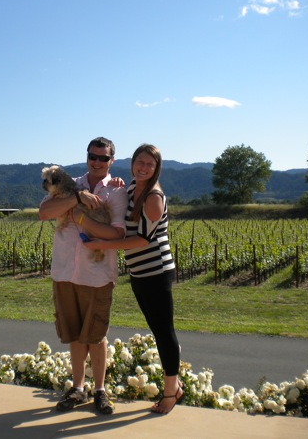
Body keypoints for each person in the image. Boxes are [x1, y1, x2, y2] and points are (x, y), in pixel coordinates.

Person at [83, 143, 183, 414]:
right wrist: (116, 184)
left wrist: (101, 245)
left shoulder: (153, 197)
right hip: (140, 272)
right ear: (132, 163)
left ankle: (171, 391)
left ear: (156, 168)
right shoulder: (131, 188)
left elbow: (142, 240)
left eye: (150, 164)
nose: (143, 168)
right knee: (158, 329)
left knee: (164, 332)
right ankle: (174, 386)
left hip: (156, 271)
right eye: (140, 162)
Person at [39, 137, 128, 415]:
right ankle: (78, 388)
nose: (97, 162)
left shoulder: (116, 191)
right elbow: (44, 212)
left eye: (103, 158)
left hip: (97, 274)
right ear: (87, 156)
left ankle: (100, 390)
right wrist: (77, 199)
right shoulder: (70, 185)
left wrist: (80, 218)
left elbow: (116, 233)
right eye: (93, 156)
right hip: (65, 271)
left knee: (96, 335)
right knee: (75, 335)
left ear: (111, 161)